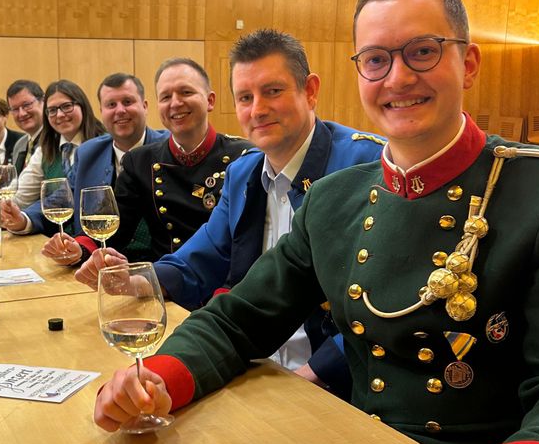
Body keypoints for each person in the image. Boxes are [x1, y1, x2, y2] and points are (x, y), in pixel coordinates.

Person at [94, 0, 539, 444]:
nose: (397, 77)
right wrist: (155, 378)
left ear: (468, 62)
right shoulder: (334, 200)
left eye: (422, 51)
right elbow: (238, 319)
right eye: (377, 59)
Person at [74, 30, 384, 388]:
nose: (257, 110)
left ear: (310, 91)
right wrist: (132, 281)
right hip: (254, 365)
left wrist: (315, 374)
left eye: (273, 91)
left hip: (337, 382)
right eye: (245, 97)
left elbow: (383, 312)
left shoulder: (367, 165)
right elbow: (198, 259)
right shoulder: (243, 173)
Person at [42, 58, 248, 263]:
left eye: (186, 92)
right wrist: (79, 248)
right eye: (166, 96)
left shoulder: (244, 156)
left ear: (210, 100)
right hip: (164, 282)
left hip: (225, 285)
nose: (175, 103)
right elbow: (116, 229)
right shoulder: (140, 161)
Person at [4, 73, 167, 237]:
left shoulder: (169, 148)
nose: (120, 110)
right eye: (111, 104)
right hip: (95, 255)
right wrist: (24, 219)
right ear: (101, 111)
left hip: (159, 260)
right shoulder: (89, 153)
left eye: (127, 102)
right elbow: (63, 199)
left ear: (145, 106)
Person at [3, 80, 105, 214]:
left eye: (67, 106)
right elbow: (22, 196)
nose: (60, 115)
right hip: (55, 232)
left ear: (83, 106)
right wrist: (0, 206)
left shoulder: (105, 144)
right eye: (52, 110)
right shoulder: (45, 148)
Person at [6, 79, 44, 172]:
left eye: (26, 105)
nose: (21, 114)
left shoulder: (55, 141)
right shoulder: (20, 145)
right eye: (15, 109)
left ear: (43, 101)